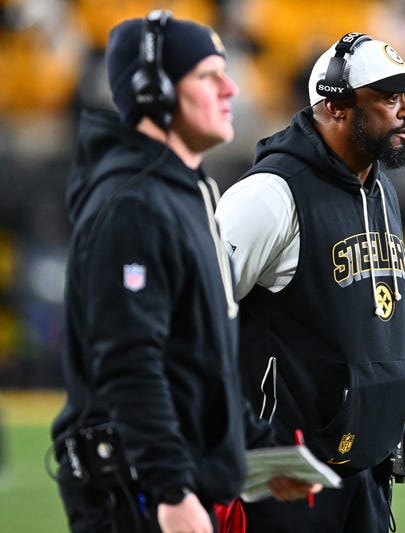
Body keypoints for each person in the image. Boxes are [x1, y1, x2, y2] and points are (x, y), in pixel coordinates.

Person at [50, 11, 315, 533]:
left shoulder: (185, 191)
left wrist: (261, 449)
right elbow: (131, 365)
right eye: (207, 75)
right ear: (153, 90)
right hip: (139, 494)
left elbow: (198, 362)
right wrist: (171, 490)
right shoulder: (133, 203)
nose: (230, 88)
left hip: (176, 480)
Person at [215, 33, 405, 532]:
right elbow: (196, 318)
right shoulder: (268, 195)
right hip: (285, 477)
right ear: (336, 105)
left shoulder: (380, 189)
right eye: (389, 97)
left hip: (365, 469)